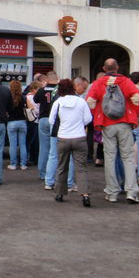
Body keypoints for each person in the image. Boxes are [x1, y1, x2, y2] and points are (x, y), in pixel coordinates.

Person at [87, 58, 139, 204]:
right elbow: (137, 97)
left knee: (110, 157)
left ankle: (112, 192)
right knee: (128, 157)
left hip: (107, 123)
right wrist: (133, 114)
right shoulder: (125, 81)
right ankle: (131, 191)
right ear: (117, 68)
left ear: (104, 68)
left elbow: (90, 101)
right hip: (125, 123)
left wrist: (98, 115)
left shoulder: (98, 83)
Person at [49, 79, 93, 207]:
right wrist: (79, 124)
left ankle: (59, 193)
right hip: (79, 137)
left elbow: (51, 120)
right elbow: (88, 119)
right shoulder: (81, 101)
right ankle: (85, 195)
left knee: (62, 167)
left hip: (63, 137)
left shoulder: (58, 102)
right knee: (81, 168)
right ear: (73, 88)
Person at [34, 71, 59, 188]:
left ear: (47, 79)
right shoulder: (59, 90)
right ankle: (53, 173)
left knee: (44, 147)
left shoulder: (42, 89)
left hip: (43, 119)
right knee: (54, 149)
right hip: (55, 120)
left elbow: (35, 100)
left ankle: (43, 172)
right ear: (57, 79)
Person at [7, 80, 28, 170]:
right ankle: (23, 164)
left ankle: (13, 164)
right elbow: (30, 107)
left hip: (11, 122)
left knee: (13, 145)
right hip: (22, 122)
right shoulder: (23, 98)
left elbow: (6, 111)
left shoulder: (8, 98)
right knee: (23, 144)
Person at [25, 81, 41, 166]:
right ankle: (31, 158)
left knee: (30, 141)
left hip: (31, 120)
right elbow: (34, 109)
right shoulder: (31, 97)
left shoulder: (28, 96)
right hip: (33, 121)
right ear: (34, 89)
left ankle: (30, 158)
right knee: (32, 141)